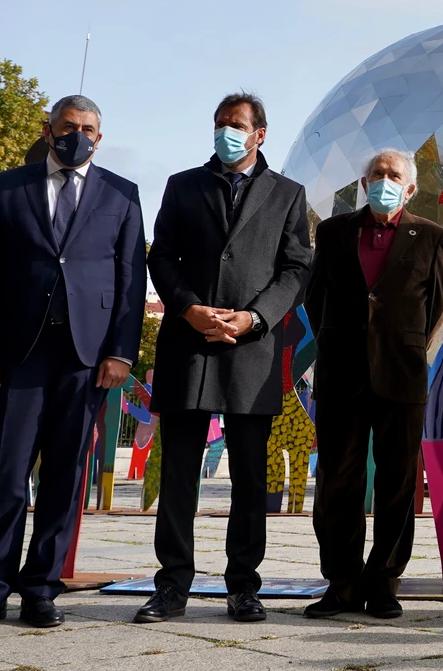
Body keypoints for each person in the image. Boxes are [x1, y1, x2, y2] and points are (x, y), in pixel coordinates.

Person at [0, 95, 147, 630]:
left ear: (99, 138)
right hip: (18, 354)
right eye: (68, 126)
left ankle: (41, 587)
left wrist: (121, 353)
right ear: (49, 129)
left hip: (86, 358)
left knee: (65, 477)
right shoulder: (6, 187)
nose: (77, 135)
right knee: (7, 475)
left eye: (87, 129)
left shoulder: (122, 193)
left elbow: (132, 280)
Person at [136, 93, 313, 625]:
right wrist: (188, 309)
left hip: (251, 352)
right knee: (179, 475)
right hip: (189, 347)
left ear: (260, 133)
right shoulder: (183, 184)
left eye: (235, 125)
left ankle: (243, 586)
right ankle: (171, 585)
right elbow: (160, 255)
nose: (225, 133)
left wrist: (255, 318)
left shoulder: (288, 193)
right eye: (219, 124)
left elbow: (297, 269)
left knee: (251, 480)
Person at [301, 148, 443, 620]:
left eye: (393, 175)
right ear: (364, 184)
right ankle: (341, 582)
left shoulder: (430, 236)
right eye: (376, 174)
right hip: (341, 372)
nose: (384, 180)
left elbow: (436, 305)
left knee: (397, 482)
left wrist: (403, 345)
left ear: (409, 188)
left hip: (401, 374)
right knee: (337, 482)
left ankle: (384, 579)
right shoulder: (332, 232)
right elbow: (315, 298)